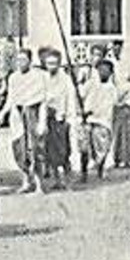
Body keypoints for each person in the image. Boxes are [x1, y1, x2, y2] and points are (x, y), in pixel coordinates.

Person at [6, 49, 46, 193]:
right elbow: (10, 99)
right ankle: (26, 182)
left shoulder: (38, 76)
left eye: (23, 59)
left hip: (33, 114)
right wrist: (1, 115)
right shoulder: (12, 78)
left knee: (35, 150)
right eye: (18, 60)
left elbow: (42, 101)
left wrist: (42, 122)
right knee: (19, 149)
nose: (20, 63)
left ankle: (39, 184)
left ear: (30, 60)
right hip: (17, 115)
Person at [78, 58, 120, 183]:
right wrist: (78, 83)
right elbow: (81, 95)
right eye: (100, 70)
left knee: (102, 149)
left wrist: (95, 112)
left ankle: (100, 168)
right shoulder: (90, 84)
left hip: (103, 121)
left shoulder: (112, 89)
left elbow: (109, 106)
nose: (102, 73)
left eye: (106, 71)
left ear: (111, 73)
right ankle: (83, 173)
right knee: (84, 148)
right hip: (88, 120)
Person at [39, 48, 74, 189]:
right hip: (47, 117)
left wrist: (69, 117)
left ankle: (67, 180)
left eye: (54, 63)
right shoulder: (43, 78)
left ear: (59, 63)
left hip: (61, 117)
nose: (52, 66)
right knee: (50, 151)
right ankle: (56, 179)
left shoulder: (65, 79)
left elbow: (70, 99)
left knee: (63, 151)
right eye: (49, 63)